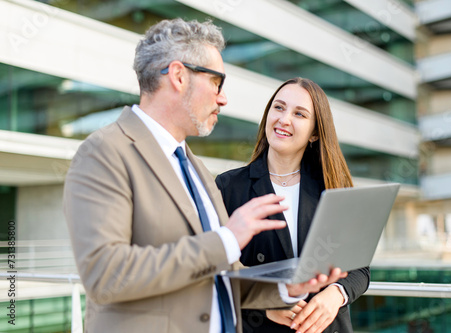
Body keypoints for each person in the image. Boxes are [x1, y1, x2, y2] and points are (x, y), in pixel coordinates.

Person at [63, 19, 347, 333]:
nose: (223, 98)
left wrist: (283, 291)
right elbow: (107, 275)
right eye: (216, 83)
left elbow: (220, 273)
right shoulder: (104, 152)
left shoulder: (193, 166)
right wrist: (226, 239)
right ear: (179, 76)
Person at [216, 78, 370, 333]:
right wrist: (266, 302)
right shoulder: (229, 186)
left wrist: (336, 294)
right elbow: (218, 269)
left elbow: (359, 267)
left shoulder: (333, 185)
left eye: (299, 114)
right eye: (278, 107)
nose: (284, 119)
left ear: (315, 133)